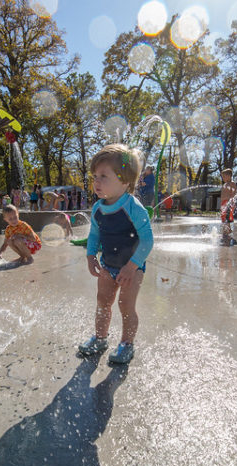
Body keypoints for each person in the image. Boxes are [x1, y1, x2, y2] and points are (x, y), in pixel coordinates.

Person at [78, 144, 153, 365]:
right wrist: (91, 255)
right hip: (108, 265)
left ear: (125, 181)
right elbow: (94, 234)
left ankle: (126, 344)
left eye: (104, 176)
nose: (97, 182)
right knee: (103, 301)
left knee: (125, 305)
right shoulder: (98, 208)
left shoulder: (133, 207)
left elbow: (147, 240)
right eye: (95, 176)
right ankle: (100, 338)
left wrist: (132, 265)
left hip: (132, 266)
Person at [219, 169, 237, 246]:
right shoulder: (225, 184)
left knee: (227, 218)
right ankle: (227, 231)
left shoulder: (232, 184)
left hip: (229, 203)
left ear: (229, 176)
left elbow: (234, 194)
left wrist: (232, 202)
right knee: (223, 218)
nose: (223, 178)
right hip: (224, 203)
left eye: (224, 176)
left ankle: (226, 232)